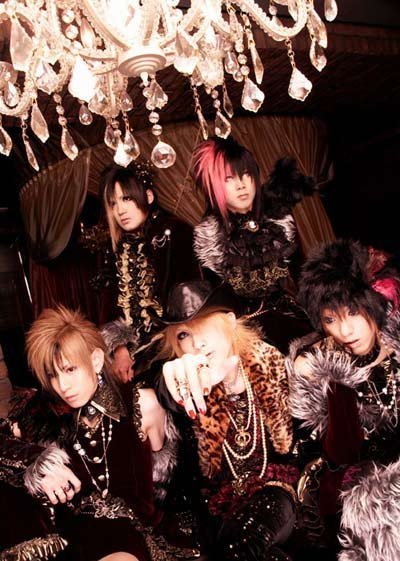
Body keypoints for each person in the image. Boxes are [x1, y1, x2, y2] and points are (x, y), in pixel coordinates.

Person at [0, 306, 196, 561]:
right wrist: (33, 459)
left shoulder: (142, 403)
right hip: (70, 542)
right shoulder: (39, 419)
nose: (63, 386)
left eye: (70, 369)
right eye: (52, 375)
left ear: (95, 360)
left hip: (132, 537)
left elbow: (174, 482)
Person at [156, 279, 298, 561]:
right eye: (184, 335)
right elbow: (161, 387)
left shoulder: (272, 362)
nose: (197, 343)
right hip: (217, 514)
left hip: (279, 497)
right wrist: (172, 386)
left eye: (205, 325)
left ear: (230, 321)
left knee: (245, 539)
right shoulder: (188, 386)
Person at [287, 239, 400, 560]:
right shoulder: (319, 367)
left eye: (352, 312)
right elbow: (342, 453)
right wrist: (336, 380)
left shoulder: (395, 345)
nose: (346, 330)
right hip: (362, 492)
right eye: (330, 320)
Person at [191, 136, 314, 353]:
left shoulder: (279, 220)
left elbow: (303, 274)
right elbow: (218, 307)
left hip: (293, 319)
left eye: (246, 174)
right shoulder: (208, 239)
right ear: (213, 187)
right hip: (248, 336)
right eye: (229, 179)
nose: (241, 185)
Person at [100, 163, 199, 382]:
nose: (120, 210)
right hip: (135, 357)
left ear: (148, 196)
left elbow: (190, 302)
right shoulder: (114, 250)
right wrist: (119, 349)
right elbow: (110, 307)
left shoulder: (174, 233)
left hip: (177, 348)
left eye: (127, 199)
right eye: (113, 203)